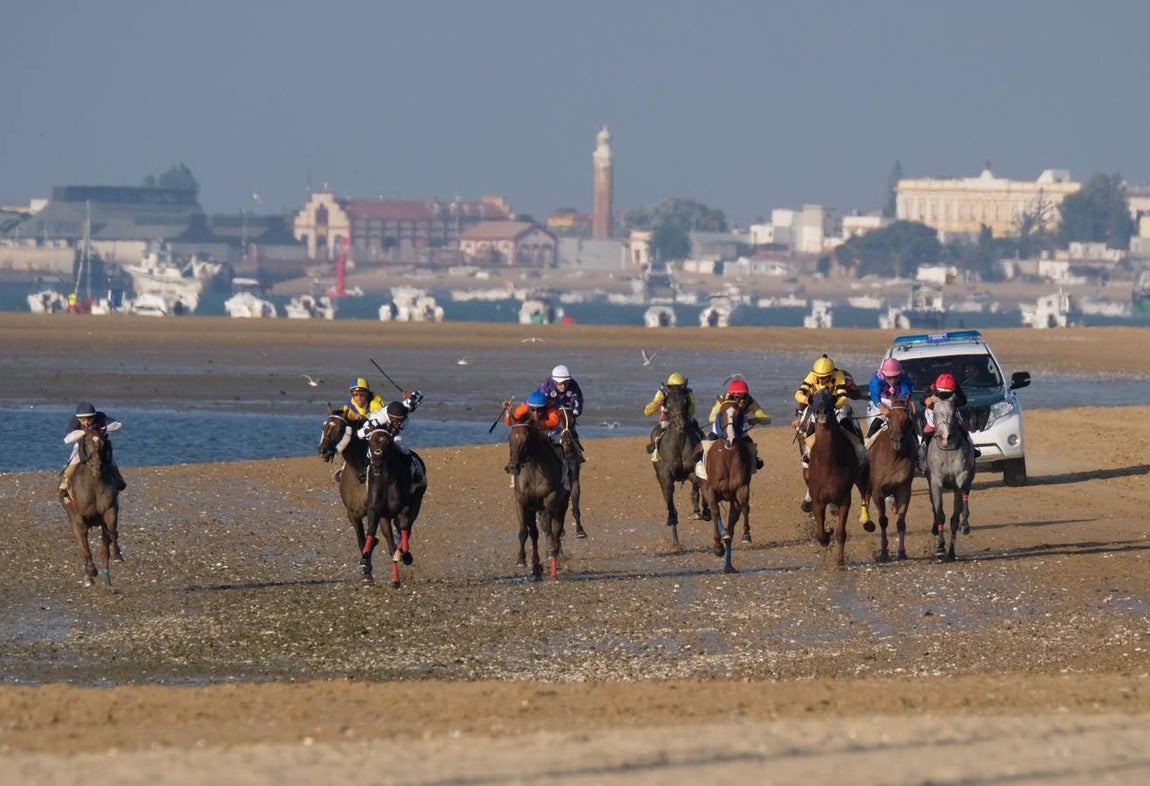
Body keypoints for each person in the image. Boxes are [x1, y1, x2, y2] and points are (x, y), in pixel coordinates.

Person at [59, 402, 127, 503]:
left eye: (89, 419)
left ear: (94, 416)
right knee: (73, 460)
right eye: (83, 420)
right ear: (78, 419)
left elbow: (118, 425)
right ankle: (65, 484)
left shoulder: (101, 417)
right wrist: (84, 432)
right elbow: (67, 439)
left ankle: (118, 479)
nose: (86, 422)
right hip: (83, 446)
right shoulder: (74, 421)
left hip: (100, 444)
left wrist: (102, 427)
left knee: (111, 460)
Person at [702, 378, 769, 471]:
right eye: (737, 397)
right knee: (708, 445)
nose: (741, 401)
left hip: (740, 429)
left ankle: (754, 462)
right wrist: (726, 417)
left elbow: (767, 419)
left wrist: (757, 419)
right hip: (720, 429)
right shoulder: (722, 400)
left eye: (744, 397)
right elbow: (711, 418)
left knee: (750, 445)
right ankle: (702, 464)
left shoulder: (750, 402)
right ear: (731, 396)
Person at [643, 372, 705, 460]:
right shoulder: (662, 393)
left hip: (685, 417)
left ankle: (702, 454)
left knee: (698, 431)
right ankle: (656, 450)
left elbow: (691, 411)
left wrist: (689, 402)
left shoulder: (688, 393)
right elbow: (647, 412)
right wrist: (658, 402)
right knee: (658, 431)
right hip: (667, 417)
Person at [920, 372, 978, 459]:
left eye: (948, 393)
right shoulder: (932, 388)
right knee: (927, 429)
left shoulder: (956, 388)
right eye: (942, 393)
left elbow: (963, 400)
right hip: (935, 413)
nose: (944, 396)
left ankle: (971, 448)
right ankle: (923, 451)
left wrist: (954, 402)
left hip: (951, 413)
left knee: (963, 427)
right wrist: (926, 400)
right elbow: (922, 399)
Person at [538, 364, 585, 460]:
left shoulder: (573, 385)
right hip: (549, 412)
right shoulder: (546, 386)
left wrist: (574, 415)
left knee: (571, 432)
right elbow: (540, 403)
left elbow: (578, 402)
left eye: (565, 383)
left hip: (566, 412)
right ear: (554, 382)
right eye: (560, 383)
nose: (563, 386)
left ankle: (576, 454)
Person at [865, 357, 915, 439]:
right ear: (883, 374)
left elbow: (906, 388)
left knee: (909, 422)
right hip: (882, 401)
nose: (893, 381)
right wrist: (882, 408)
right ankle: (868, 441)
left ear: (900, 373)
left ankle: (916, 443)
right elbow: (875, 394)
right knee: (878, 421)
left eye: (895, 377)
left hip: (899, 401)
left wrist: (909, 399)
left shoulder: (904, 376)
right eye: (889, 377)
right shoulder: (877, 378)